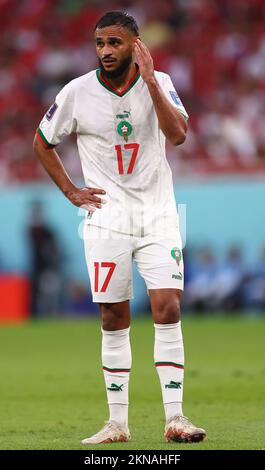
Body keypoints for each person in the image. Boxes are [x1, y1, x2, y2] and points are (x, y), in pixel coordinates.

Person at [33, 11, 206, 445]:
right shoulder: (76, 92)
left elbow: (180, 134)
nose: (105, 51)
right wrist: (72, 192)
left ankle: (176, 418)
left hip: (158, 213)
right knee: (114, 316)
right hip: (106, 217)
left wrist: (149, 82)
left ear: (135, 44)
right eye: (99, 43)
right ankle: (117, 424)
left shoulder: (160, 81)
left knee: (168, 306)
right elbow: (42, 141)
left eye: (114, 42)